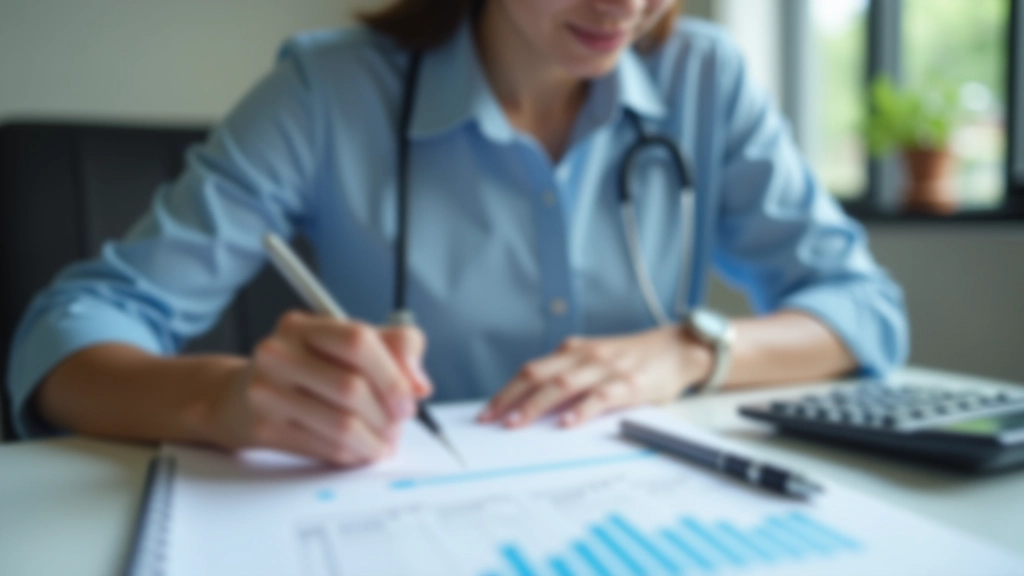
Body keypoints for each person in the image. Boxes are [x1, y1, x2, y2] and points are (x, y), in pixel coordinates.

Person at [6, 0, 907, 467]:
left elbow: (861, 309)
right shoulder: (329, 92)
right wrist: (223, 403)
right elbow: (69, 336)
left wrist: (689, 349)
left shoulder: (706, 78)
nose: (625, 3)